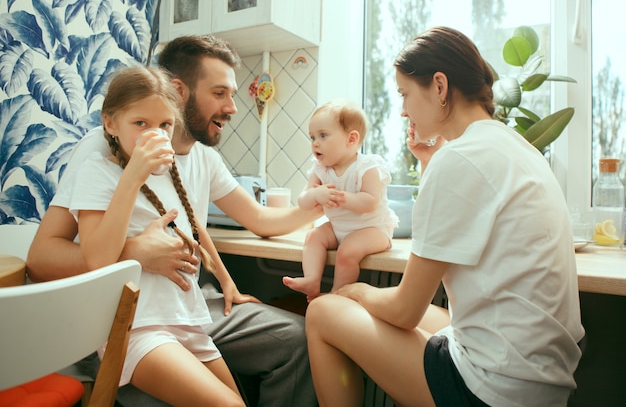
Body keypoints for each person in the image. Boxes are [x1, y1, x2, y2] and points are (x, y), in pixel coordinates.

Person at [27, 35, 321, 407]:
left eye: (165, 124)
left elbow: (247, 220)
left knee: (297, 339)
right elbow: (44, 260)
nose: (232, 107)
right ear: (180, 91)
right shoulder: (102, 155)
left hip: (187, 305)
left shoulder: (195, 161)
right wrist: (135, 252)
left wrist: (321, 205)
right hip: (132, 314)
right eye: (219, 93)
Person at [305, 26, 585, 407]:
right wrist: (427, 162)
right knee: (437, 316)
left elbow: (404, 311)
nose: (402, 109)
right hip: (542, 381)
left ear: (439, 86)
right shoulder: (516, 148)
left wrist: (355, 292)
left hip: (492, 389)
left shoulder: (458, 158)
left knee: (324, 309)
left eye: (405, 94)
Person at [70, 66, 253, 406]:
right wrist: (133, 176)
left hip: (186, 321)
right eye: (141, 123)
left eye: (164, 125)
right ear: (110, 123)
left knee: (238, 401)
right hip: (137, 329)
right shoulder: (97, 173)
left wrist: (227, 283)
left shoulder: (170, 176)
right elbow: (97, 258)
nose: (155, 133)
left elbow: (194, 229)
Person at [282, 100, 398, 300]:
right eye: (312, 137)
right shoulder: (321, 169)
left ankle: (338, 295)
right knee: (313, 237)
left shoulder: (367, 166)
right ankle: (311, 280)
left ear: (351, 139)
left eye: (323, 135)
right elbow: (303, 201)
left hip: (372, 229)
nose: (315, 143)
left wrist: (342, 198)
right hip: (338, 228)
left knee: (347, 252)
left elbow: (370, 202)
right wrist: (315, 195)